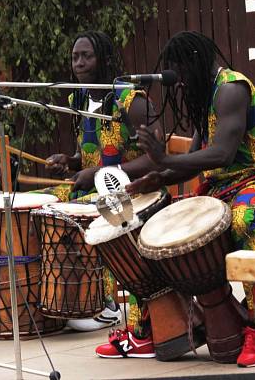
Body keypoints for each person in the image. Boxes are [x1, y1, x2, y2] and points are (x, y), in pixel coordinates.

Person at [126, 30, 255, 368]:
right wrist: (157, 178)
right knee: (153, 226)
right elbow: (195, 160)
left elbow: (221, 154)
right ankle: (159, 325)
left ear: (194, 63)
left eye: (179, 76)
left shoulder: (232, 89)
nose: (177, 86)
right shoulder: (206, 97)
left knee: (244, 219)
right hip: (218, 189)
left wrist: (164, 160)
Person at [43, 31, 156, 348]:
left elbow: (157, 158)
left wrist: (106, 172)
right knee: (43, 206)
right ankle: (71, 297)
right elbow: (88, 154)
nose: (79, 63)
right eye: (75, 56)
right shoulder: (77, 98)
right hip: (94, 187)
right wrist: (71, 160)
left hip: (128, 191)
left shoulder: (131, 101)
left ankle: (105, 304)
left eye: (86, 56)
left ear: (104, 59)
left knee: (91, 210)